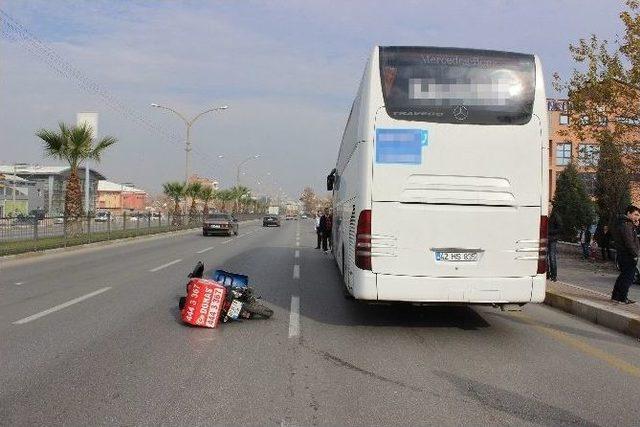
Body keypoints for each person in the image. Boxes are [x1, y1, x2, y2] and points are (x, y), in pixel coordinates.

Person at [611, 205, 640, 304]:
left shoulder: (625, 224)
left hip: (623, 254)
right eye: (635, 214)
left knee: (623, 276)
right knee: (628, 278)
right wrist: (635, 254)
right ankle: (622, 298)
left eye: (639, 215)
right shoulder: (626, 225)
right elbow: (629, 242)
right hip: (628, 255)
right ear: (628, 213)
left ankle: (616, 296)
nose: (637, 217)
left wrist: (635, 226)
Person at [547, 209, 562, 282]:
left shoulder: (555, 216)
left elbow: (559, 228)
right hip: (545, 239)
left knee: (552, 257)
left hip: (553, 239)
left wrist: (549, 231)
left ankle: (554, 275)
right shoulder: (544, 214)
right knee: (544, 258)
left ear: (552, 207)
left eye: (550, 205)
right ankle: (547, 274)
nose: (548, 207)